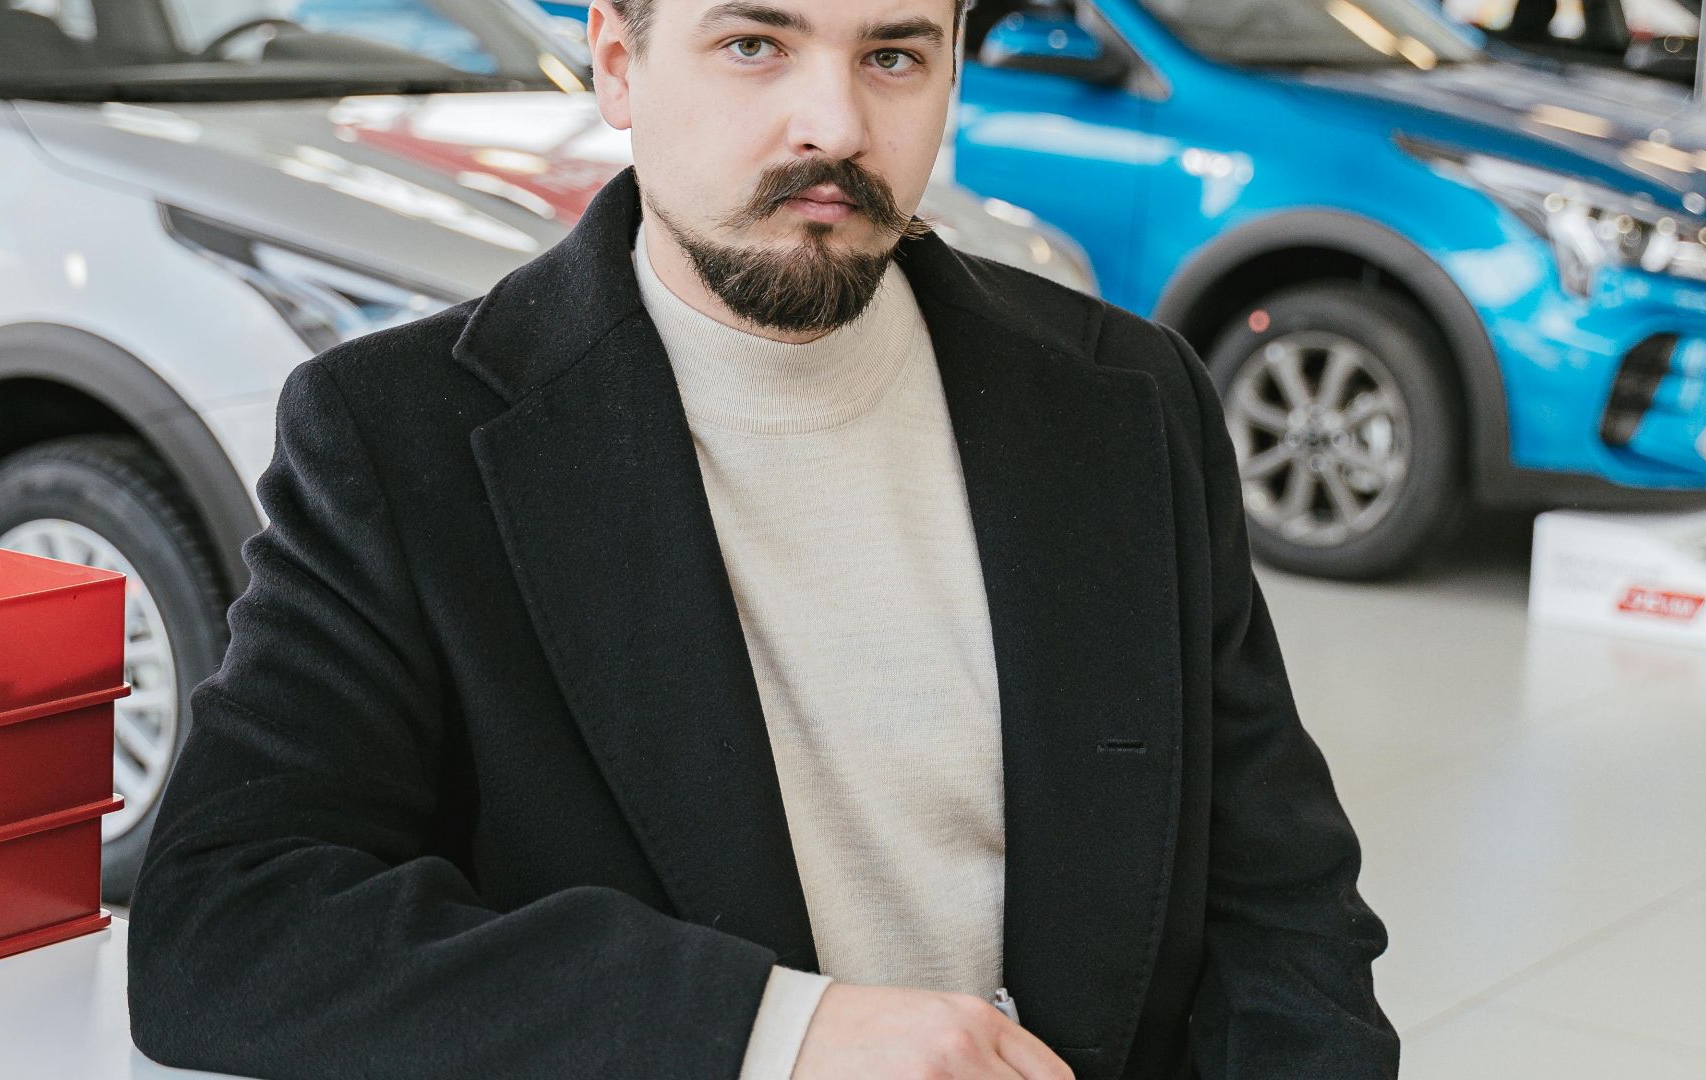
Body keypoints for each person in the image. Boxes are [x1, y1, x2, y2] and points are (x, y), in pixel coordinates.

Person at [125, 1, 1398, 1077]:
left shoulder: (1128, 402)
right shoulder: (401, 437)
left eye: (894, 56)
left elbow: (1280, 900)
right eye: (755, 45)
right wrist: (780, 1033)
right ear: (618, 63)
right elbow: (227, 920)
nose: (834, 127)